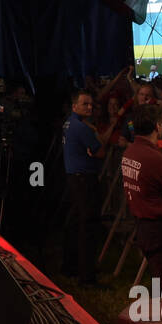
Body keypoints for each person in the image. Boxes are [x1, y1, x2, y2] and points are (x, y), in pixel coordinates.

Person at [121, 105, 162, 287]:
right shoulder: (155, 158)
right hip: (161, 230)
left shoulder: (130, 152)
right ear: (157, 126)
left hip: (145, 226)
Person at [62, 90, 106, 283]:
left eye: (91, 104)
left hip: (73, 177)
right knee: (88, 227)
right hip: (85, 179)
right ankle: (87, 276)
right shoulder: (82, 128)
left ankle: (70, 267)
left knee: (74, 223)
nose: (89, 107)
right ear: (74, 106)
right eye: (85, 104)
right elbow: (100, 152)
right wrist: (96, 135)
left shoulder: (69, 123)